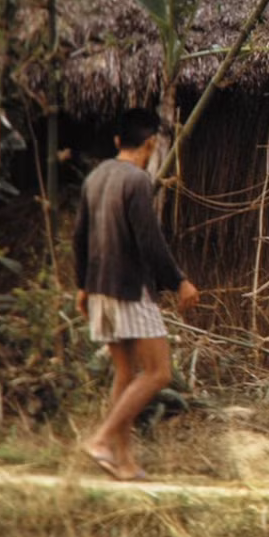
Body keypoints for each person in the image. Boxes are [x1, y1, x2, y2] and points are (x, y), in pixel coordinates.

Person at [73, 108, 199, 481]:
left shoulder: (95, 177)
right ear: (150, 144)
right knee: (158, 373)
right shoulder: (138, 181)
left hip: (99, 288)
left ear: (117, 141)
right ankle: (101, 439)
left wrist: (82, 286)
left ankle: (123, 461)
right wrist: (178, 281)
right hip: (129, 289)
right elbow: (150, 241)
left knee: (127, 373)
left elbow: (79, 237)